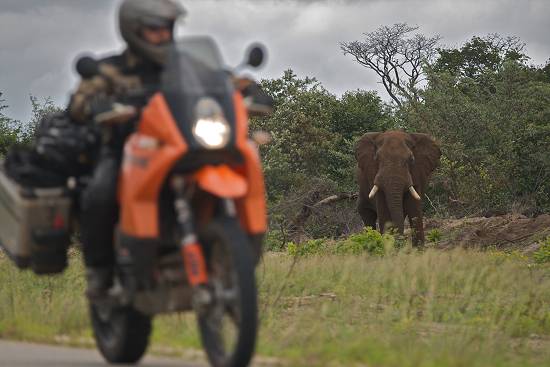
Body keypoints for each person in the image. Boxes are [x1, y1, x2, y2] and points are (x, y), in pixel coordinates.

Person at [68, 0, 186, 299]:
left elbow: (225, 80)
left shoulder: (185, 65)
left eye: (167, 27)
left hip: (180, 146)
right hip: (124, 151)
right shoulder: (110, 69)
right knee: (100, 193)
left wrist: (249, 89)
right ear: (134, 30)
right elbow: (79, 103)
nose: (163, 35)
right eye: (155, 28)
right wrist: (99, 105)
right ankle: (100, 271)